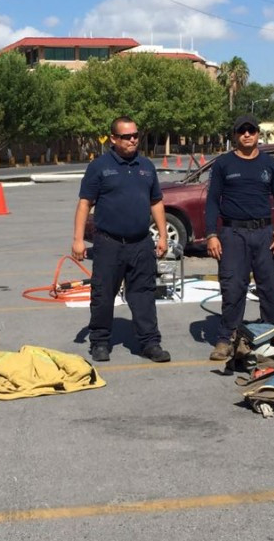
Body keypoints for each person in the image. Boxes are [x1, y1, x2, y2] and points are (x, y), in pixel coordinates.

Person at [72, 116, 171, 364]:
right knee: (103, 295)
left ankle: (150, 343)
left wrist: (161, 235)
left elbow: (156, 202)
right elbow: (85, 203)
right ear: (113, 139)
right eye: (126, 136)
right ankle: (100, 342)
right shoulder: (99, 167)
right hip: (108, 244)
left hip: (141, 243)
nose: (133, 140)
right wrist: (78, 240)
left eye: (136, 135)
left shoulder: (146, 166)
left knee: (144, 295)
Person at [204, 114, 274, 361]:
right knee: (233, 287)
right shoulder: (223, 164)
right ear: (235, 135)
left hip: (265, 234)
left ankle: (271, 337)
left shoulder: (269, 164)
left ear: (257, 134)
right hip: (232, 235)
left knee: (271, 287)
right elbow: (212, 201)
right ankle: (226, 338)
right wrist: (211, 234)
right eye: (242, 131)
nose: (247, 134)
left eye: (251, 130)